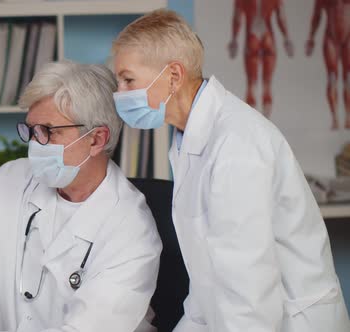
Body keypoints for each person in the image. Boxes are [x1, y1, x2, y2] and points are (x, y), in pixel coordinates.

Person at [112, 9, 350, 332]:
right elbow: (206, 284)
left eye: (128, 80)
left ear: (173, 76)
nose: (120, 94)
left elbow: (249, 299)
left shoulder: (236, 146)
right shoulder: (189, 138)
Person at [0, 61, 162, 332]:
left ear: (96, 139)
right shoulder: (15, 178)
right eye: (31, 131)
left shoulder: (131, 230)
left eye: (48, 131)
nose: (35, 144)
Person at [228, 0, 294, 118]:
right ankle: (266, 121)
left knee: (251, 83)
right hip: (268, 37)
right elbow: (280, 16)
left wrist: (234, 39)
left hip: (252, 37)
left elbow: (237, 18)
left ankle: (253, 120)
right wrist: (286, 38)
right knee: (267, 83)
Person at [306, 0, 350, 129]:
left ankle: (347, 117)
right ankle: (335, 117)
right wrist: (311, 38)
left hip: (348, 38)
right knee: (332, 78)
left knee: (348, 79)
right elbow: (317, 15)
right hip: (330, 37)